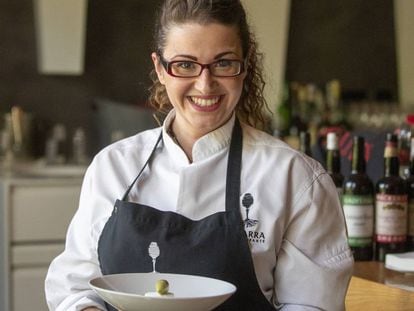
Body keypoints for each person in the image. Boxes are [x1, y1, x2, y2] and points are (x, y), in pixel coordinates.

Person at [45, 0, 353, 310]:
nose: (205, 85)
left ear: (245, 66)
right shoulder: (114, 167)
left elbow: (312, 304)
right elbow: (76, 284)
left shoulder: (295, 178)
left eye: (223, 63)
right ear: (160, 69)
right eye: (185, 64)